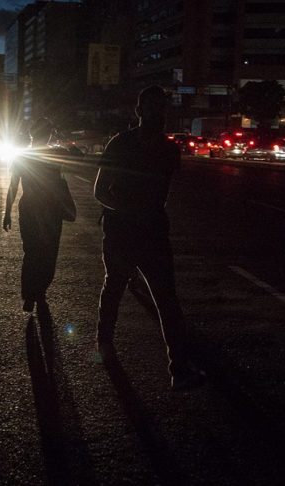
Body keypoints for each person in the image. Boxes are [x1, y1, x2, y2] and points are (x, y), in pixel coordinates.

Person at [93, 85, 204, 391]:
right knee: (118, 288)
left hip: (148, 232)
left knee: (164, 299)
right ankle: (105, 344)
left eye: (161, 108)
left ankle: (178, 368)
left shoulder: (167, 150)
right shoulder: (123, 144)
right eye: (152, 108)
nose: (158, 114)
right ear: (139, 111)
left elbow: (162, 194)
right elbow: (100, 191)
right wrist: (131, 211)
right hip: (126, 230)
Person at [2, 117, 70, 313]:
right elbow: (76, 156)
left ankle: (30, 294)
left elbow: (13, 187)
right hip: (51, 212)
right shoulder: (56, 154)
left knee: (31, 253)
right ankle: (39, 293)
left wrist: (7, 212)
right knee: (48, 254)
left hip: (30, 209)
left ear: (31, 134)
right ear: (48, 134)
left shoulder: (21, 157)